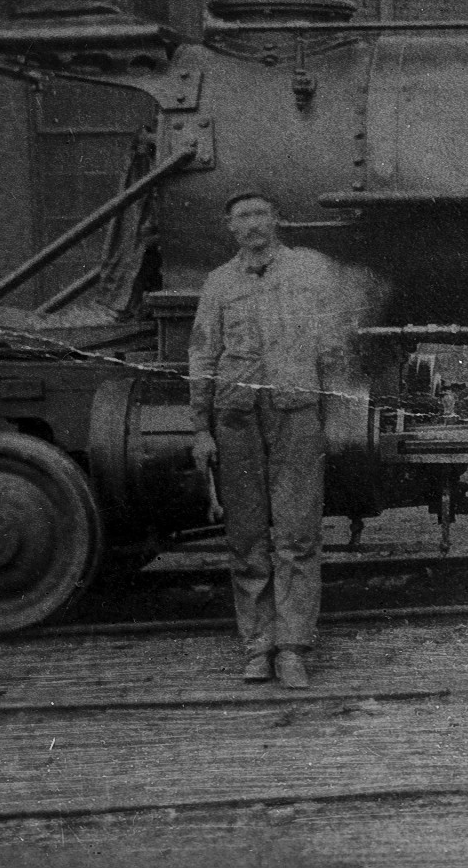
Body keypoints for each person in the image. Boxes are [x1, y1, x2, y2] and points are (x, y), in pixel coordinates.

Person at [187, 188, 350, 688]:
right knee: (246, 538)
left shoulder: (309, 270)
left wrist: (335, 417)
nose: (253, 223)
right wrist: (200, 427)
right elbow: (203, 354)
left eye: (261, 213)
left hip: (295, 414)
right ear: (230, 227)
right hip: (236, 419)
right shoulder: (218, 282)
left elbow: (332, 347)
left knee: (298, 535)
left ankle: (293, 648)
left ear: (277, 219)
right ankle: (258, 647)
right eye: (242, 216)